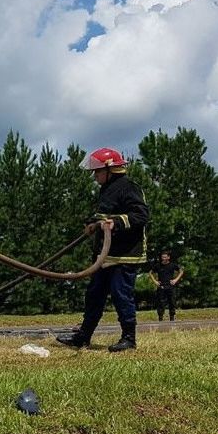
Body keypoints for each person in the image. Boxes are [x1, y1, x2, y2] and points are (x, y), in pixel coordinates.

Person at [56, 147, 149, 352]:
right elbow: (103, 214)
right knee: (94, 295)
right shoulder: (107, 189)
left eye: (97, 171)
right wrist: (91, 223)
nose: (94, 176)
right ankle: (83, 336)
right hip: (104, 255)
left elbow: (141, 215)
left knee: (120, 295)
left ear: (110, 169)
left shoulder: (129, 187)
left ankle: (129, 339)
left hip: (124, 255)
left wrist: (116, 222)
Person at [149, 251, 183, 321]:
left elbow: (181, 271)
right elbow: (150, 273)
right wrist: (155, 281)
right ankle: (160, 318)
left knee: (172, 302)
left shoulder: (172, 265)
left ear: (168, 257)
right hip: (161, 286)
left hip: (170, 286)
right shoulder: (158, 265)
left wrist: (175, 280)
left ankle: (172, 318)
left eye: (165, 257)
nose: (163, 258)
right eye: (162, 257)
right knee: (161, 303)